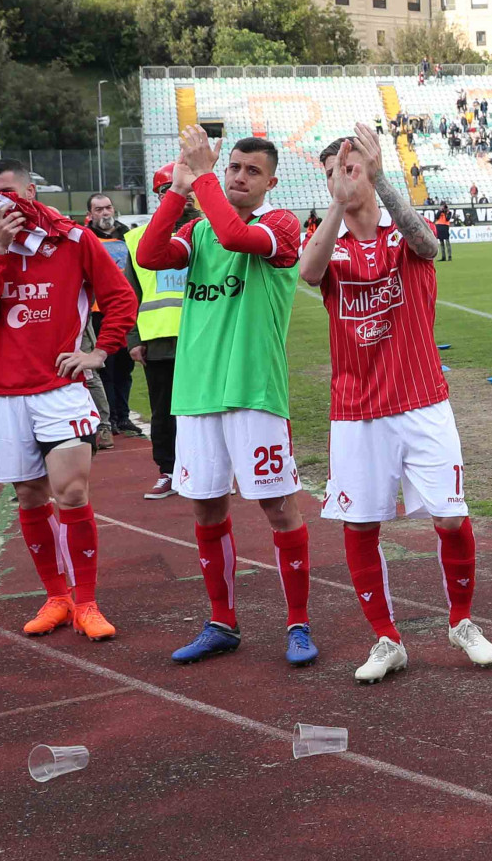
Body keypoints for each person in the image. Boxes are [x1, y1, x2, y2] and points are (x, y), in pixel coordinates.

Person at [302, 124, 492, 682]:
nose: (342, 178)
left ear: (371, 170)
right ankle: (386, 639)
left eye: (350, 168)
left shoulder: (402, 230)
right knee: (360, 525)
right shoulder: (326, 240)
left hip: (421, 400)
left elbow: (429, 246)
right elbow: (309, 273)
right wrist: (337, 205)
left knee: (451, 517)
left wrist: (383, 180)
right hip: (356, 409)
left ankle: (461, 621)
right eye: (332, 172)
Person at [136, 126, 321, 667]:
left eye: (251, 171)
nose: (239, 177)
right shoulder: (197, 231)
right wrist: (179, 188)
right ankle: (222, 622)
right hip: (197, 394)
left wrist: (204, 179)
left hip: (253, 391)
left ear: (271, 183)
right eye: (233, 167)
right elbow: (149, 254)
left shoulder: (280, 224)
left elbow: (238, 237)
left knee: (278, 508)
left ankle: (298, 624)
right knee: (207, 507)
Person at [0, 160, 137, 639]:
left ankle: (87, 603)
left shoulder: (75, 240)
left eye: (7, 192)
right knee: (29, 496)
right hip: (3, 392)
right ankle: (56, 597)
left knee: (73, 493)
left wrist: (98, 352)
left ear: (31, 192)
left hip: (60, 389)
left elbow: (121, 298)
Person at [123, 164, 190, 498]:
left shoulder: (211, 231)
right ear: (160, 195)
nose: (183, 197)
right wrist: (133, 339)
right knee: (163, 411)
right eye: (171, 190)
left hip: (204, 340)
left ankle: (208, 469)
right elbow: (128, 294)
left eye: (189, 190)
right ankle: (169, 471)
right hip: (158, 342)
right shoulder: (137, 240)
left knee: (206, 411)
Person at [84, 193, 142, 440]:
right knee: (104, 369)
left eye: (108, 207)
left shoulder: (127, 236)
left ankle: (123, 416)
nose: (105, 213)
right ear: (90, 214)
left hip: (125, 310)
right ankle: (108, 419)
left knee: (125, 368)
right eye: (99, 209)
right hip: (97, 312)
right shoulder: (85, 238)